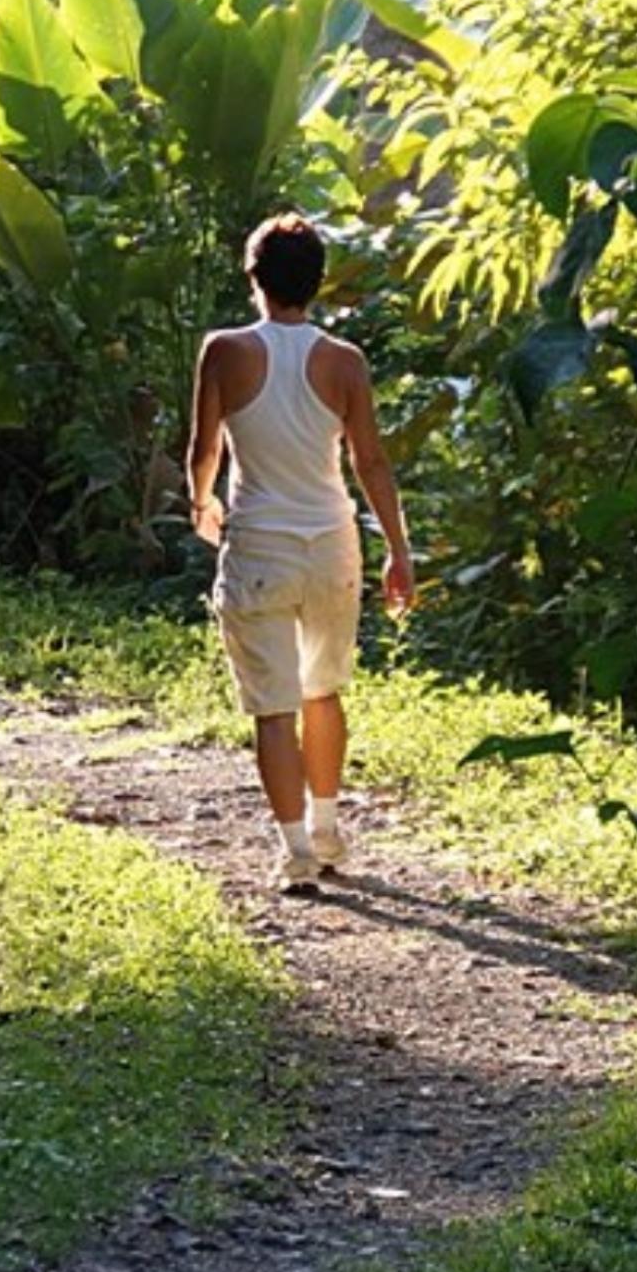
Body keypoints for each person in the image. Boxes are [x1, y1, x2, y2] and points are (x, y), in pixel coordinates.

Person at [184, 215, 415, 893]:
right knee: (325, 688)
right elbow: (370, 461)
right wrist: (399, 550)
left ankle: (294, 854)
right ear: (317, 282)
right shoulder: (345, 361)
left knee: (273, 707)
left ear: (254, 277)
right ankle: (327, 826)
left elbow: (206, 451)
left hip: (259, 544)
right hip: (332, 544)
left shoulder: (223, 351)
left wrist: (202, 503)